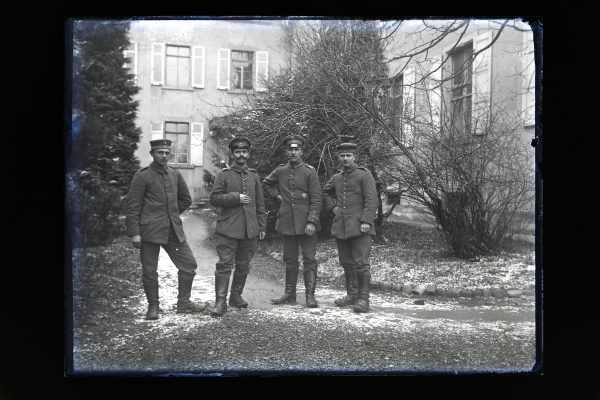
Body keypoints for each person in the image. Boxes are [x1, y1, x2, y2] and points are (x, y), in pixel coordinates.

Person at [124, 139, 208, 320]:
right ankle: (153, 306)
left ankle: (184, 303)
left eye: (166, 153)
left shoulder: (174, 174)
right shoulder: (142, 176)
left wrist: (171, 213)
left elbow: (185, 199)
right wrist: (135, 233)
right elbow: (132, 206)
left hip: (172, 230)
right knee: (149, 271)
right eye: (159, 152)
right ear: (152, 154)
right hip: (149, 231)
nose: (163, 155)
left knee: (188, 264)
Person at [209, 134, 266, 317]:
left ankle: (235, 296)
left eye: (244, 151)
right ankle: (220, 302)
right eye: (237, 152)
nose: (241, 155)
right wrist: (236, 198)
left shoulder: (253, 176)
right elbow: (214, 198)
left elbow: (259, 202)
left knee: (243, 265)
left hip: (249, 230)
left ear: (248, 154)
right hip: (228, 229)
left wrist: (261, 226)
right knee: (225, 265)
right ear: (232, 154)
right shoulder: (224, 175)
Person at [262, 135, 323, 308]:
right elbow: (266, 183)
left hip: (306, 223)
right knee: (290, 259)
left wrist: (312, 221)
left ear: (301, 151)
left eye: (297, 149)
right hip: (287, 221)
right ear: (287, 152)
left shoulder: (309, 172)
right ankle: (289, 294)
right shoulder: (281, 171)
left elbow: (317, 199)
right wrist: (277, 195)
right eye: (291, 149)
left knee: (309, 259)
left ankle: (310, 296)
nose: (294, 152)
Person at [322, 142, 378, 313]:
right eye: (342, 155)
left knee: (361, 264)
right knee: (347, 263)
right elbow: (325, 192)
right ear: (338, 158)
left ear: (355, 157)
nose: (345, 158)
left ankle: (363, 299)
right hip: (342, 227)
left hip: (361, 227)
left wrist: (367, 221)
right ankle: (351, 295)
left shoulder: (364, 175)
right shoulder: (337, 177)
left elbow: (372, 200)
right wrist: (333, 207)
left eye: (348, 155)